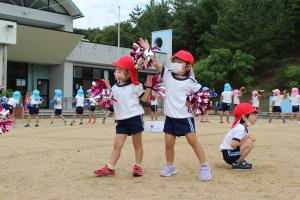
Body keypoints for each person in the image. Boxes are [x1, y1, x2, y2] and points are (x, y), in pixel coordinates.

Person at [150, 48, 212, 181]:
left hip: (185, 118)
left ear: (188, 65)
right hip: (170, 118)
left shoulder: (191, 82)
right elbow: (155, 63)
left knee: (193, 142)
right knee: (168, 144)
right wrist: (148, 52)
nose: (175, 63)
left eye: (179, 61)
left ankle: (205, 167)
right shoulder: (166, 74)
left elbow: (204, 95)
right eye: (175, 60)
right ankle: (170, 166)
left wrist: (195, 104)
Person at [94, 56, 152, 177]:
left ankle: (138, 166)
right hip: (121, 120)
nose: (116, 72)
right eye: (116, 70)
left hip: (135, 117)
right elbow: (114, 100)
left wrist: (149, 87)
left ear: (128, 73)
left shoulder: (136, 85)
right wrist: (106, 93)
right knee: (117, 145)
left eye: (120, 70)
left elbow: (145, 99)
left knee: (137, 144)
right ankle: (110, 168)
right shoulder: (115, 87)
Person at [220, 103, 257, 170]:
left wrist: (246, 138)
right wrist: (246, 138)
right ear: (244, 117)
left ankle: (239, 161)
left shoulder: (241, 127)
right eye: (253, 115)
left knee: (249, 140)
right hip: (229, 154)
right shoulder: (240, 128)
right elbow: (233, 145)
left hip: (229, 153)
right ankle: (237, 163)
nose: (256, 117)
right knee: (249, 142)